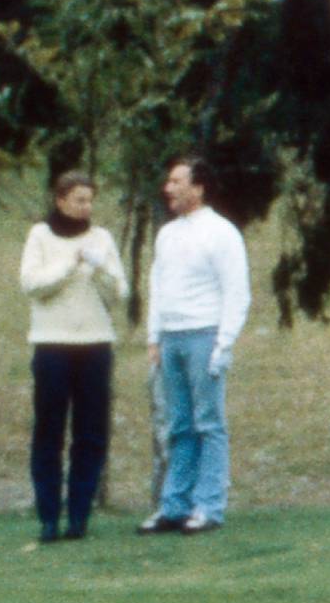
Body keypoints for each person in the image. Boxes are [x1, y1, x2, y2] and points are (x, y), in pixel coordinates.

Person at [142, 156, 249, 535]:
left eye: (177, 181)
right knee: (179, 425)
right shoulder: (167, 234)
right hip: (171, 337)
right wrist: (154, 336)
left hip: (204, 335)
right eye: (169, 181)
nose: (169, 188)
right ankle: (174, 505)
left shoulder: (221, 233)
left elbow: (237, 292)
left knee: (209, 423)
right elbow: (158, 286)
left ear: (198, 187)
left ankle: (209, 506)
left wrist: (224, 344)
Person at [18, 171, 126, 542]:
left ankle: (79, 515)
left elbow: (118, 293)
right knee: (49, 431)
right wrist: (69, 265)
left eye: (90, 200)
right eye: (79, 199)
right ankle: (49, 515)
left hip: (95, 345)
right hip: (52, 344)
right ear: (61, 200)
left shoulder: (102, 238)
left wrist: (98, 269)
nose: (86, 207)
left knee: (91, 433)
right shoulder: (40, 236)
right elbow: (32, 285)